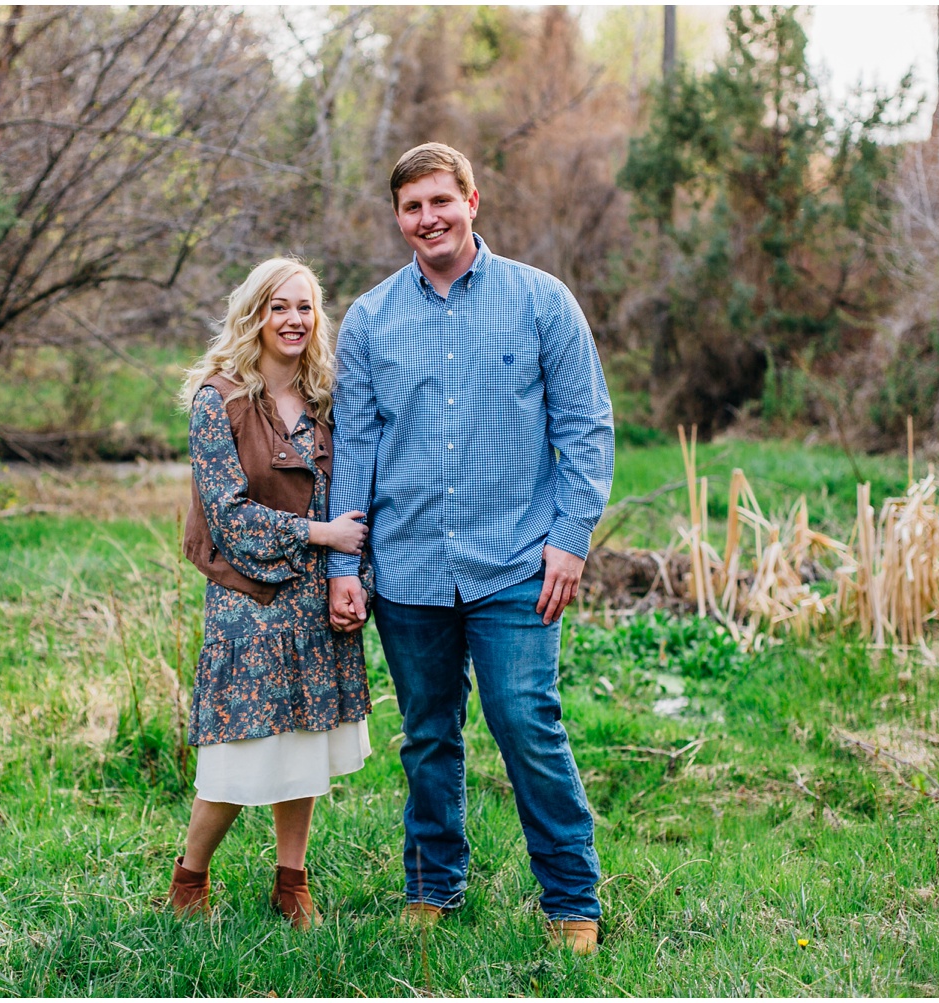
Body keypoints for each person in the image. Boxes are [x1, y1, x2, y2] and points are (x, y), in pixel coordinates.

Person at [327, 143, 614, 954]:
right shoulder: (373, 320)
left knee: (526, 722)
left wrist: (570, 537)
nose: (429, 219)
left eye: (441, 202)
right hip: (411, 566)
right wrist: (343, 565)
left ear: (473, 201)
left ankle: (571, 899)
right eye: (412, 207)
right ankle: (433, 884)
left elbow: (585, 426)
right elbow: (355, 446)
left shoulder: (540, 302)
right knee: (427, 731)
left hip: (518, 562)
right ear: (398, 218)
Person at [171, 257, 373, 930]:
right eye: (278, 307)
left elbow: (354, 500)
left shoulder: (327, 400)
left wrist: (354, 577)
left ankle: (292, 882)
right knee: (239, 754)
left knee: (306, 747)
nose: (292, 320)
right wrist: (321, 534)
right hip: (250, 599)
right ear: (254, 315)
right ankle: (190, 878)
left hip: (317, 596)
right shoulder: (217, 399)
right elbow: (228, 517)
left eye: (305, 307)